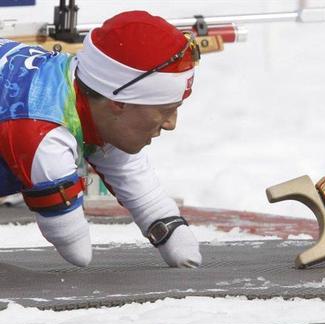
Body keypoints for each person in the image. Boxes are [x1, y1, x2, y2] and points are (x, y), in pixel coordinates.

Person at [0, 11, 202, 268]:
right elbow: (76, 250)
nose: (171, 124)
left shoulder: (86, 88)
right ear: (118, 103)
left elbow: (134, 180)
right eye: (164, 110)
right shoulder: (43, 132)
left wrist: (170, 229)